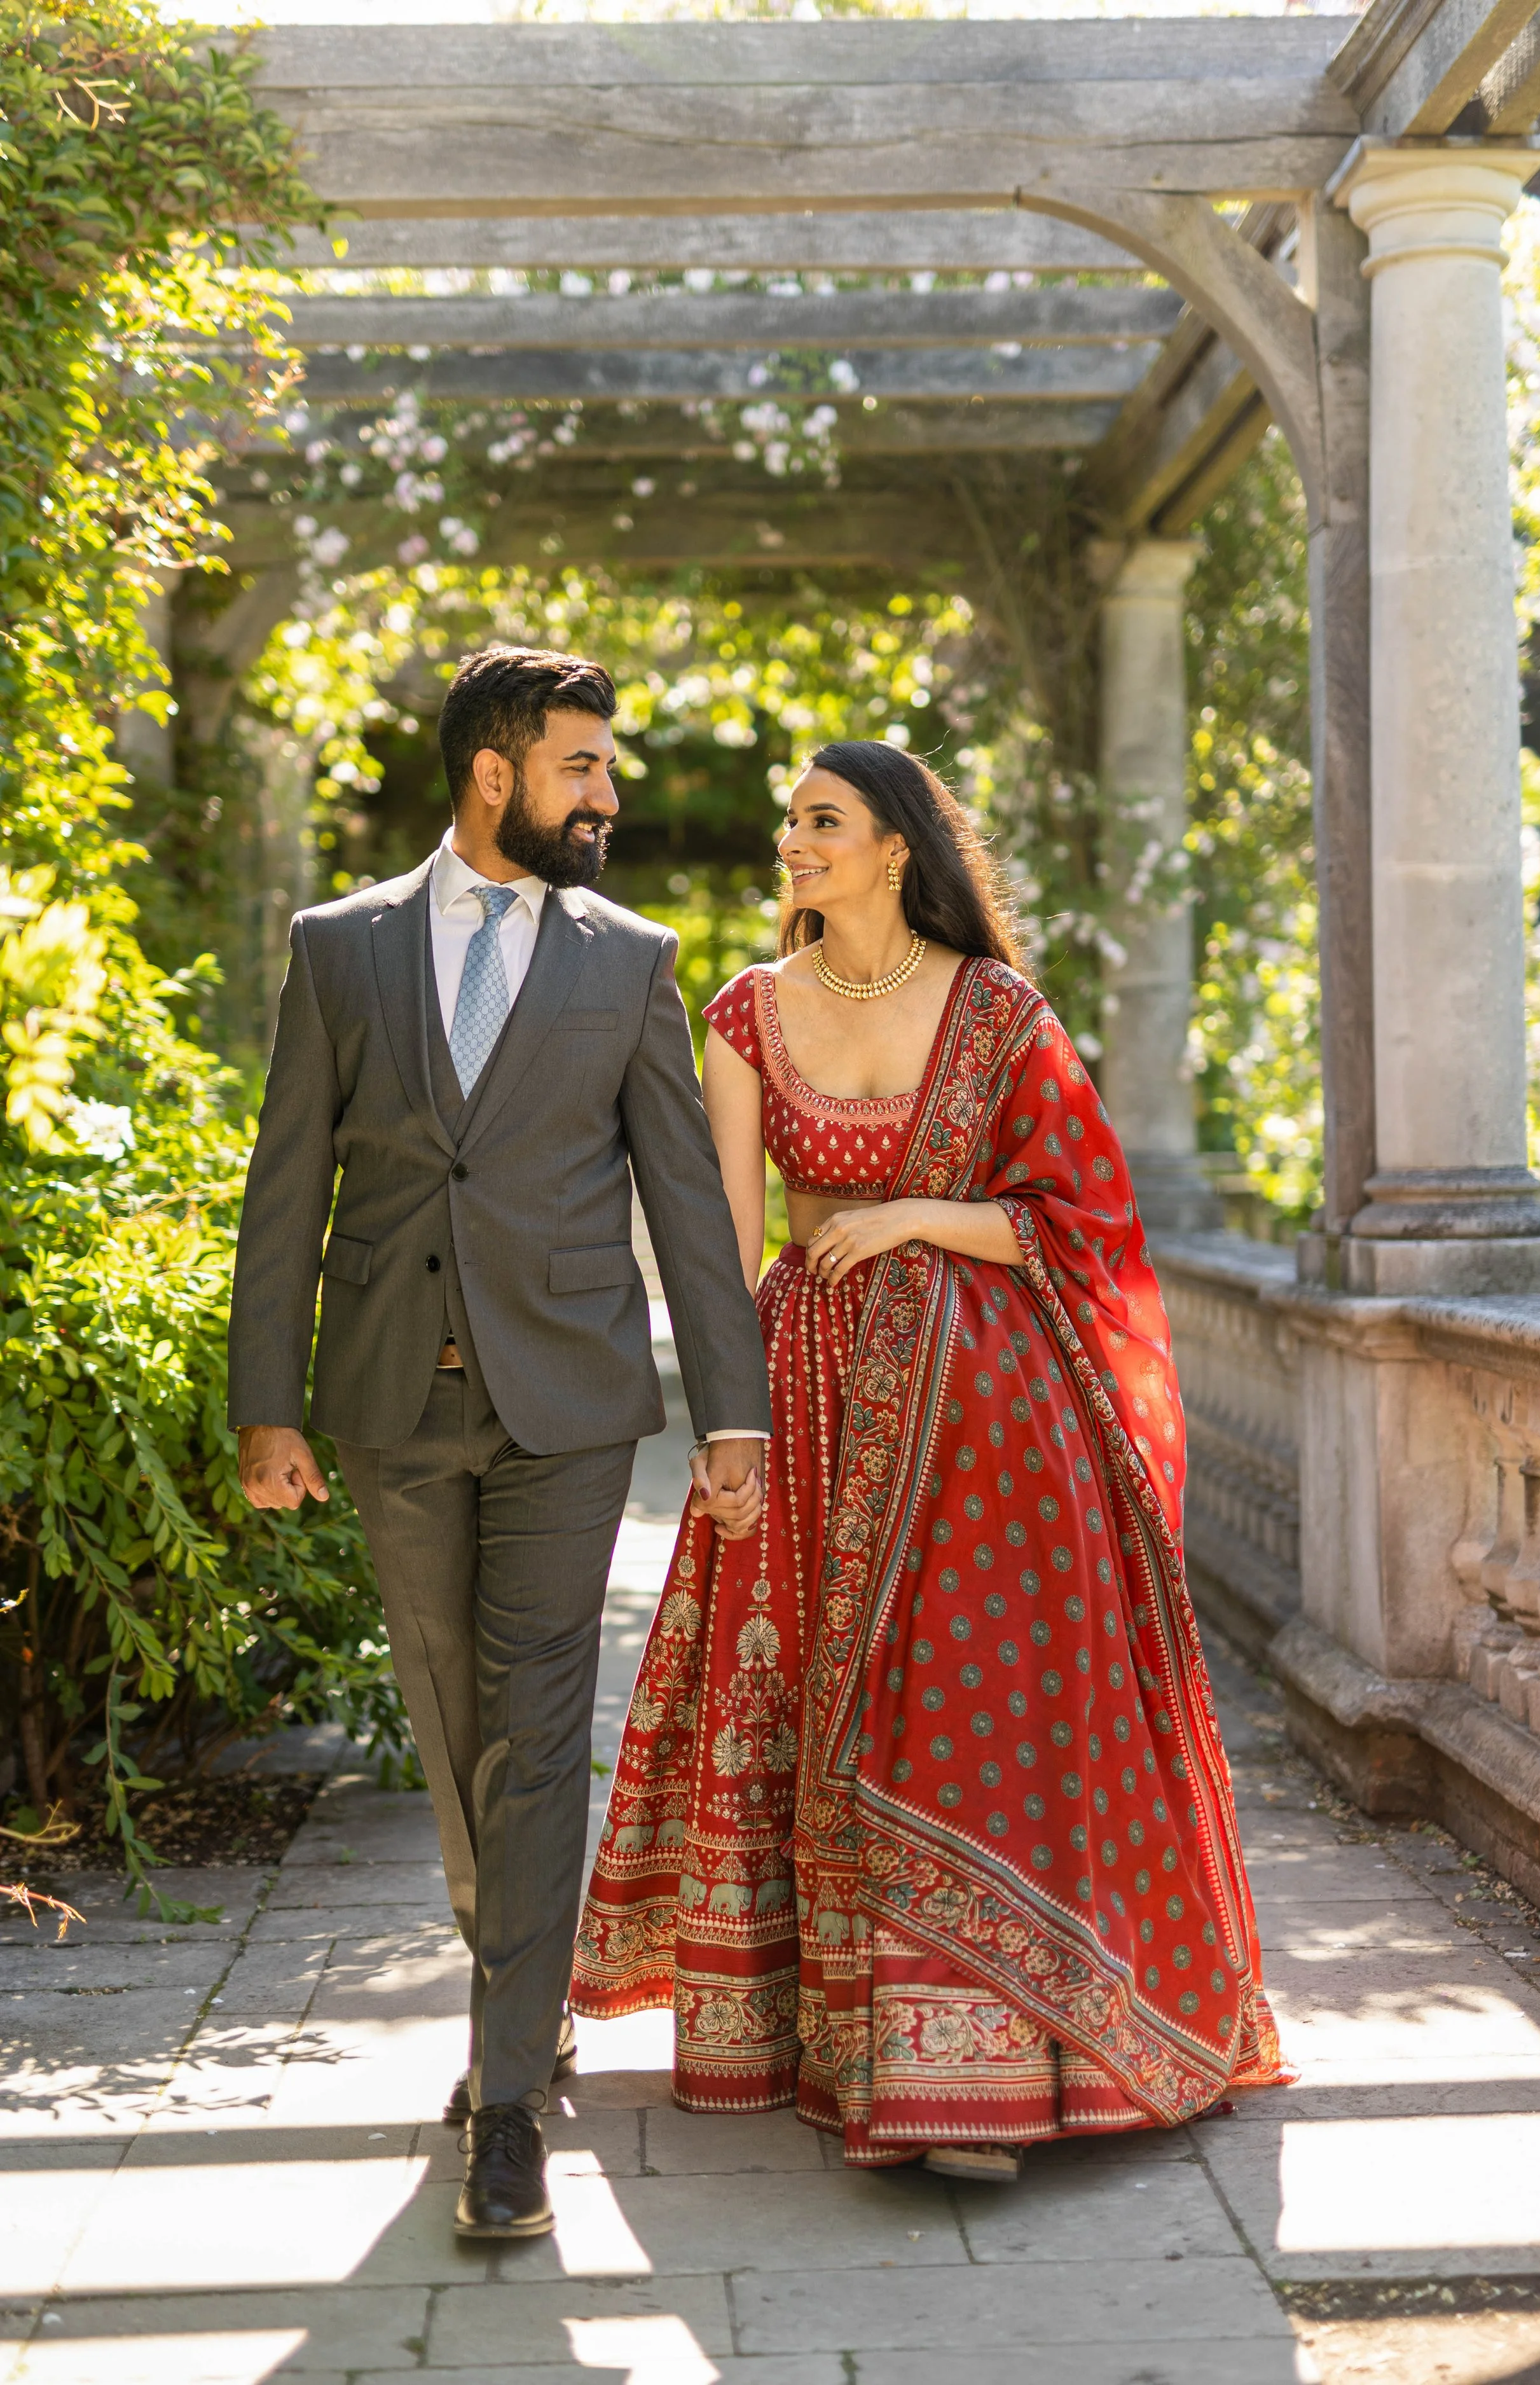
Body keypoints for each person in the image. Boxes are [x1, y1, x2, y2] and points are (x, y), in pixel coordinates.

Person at [573, 739, 1286, 2176]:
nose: (792, 842)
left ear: (895, 845)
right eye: (791, 822)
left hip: (989, 1409)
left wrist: (909, 1219)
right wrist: (726, 1421)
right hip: (800, 1389)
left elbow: (1081, 1219)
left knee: (972, 1697)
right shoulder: (744, 1013)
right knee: (787, 1683)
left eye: (819, 821)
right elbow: (714, 1239)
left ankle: (987, 2064)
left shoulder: (997, 1013)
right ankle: (805, 2031)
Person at [226, 646, 772, 2237]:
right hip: (394, 1399)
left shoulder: (632, 959)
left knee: (536, 1729)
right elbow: (288, 1186)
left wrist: (726, 1414)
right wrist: (270, 1404)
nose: (610, 796)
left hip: (569, 1405)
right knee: (455, 1720)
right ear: (494, 774)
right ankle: (516, 1992)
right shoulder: (342, 950)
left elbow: (683, 1193)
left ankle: (510, 2102)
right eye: (582, 768)